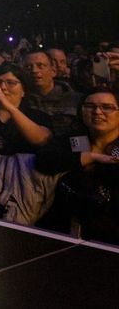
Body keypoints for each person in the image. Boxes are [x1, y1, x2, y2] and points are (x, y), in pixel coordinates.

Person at [35, 89, 119, 243]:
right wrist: (89, 157)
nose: (97, 112)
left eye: (107, 107)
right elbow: (43, 160)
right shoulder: (76, 139)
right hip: (64, 229)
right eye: (90, 106)